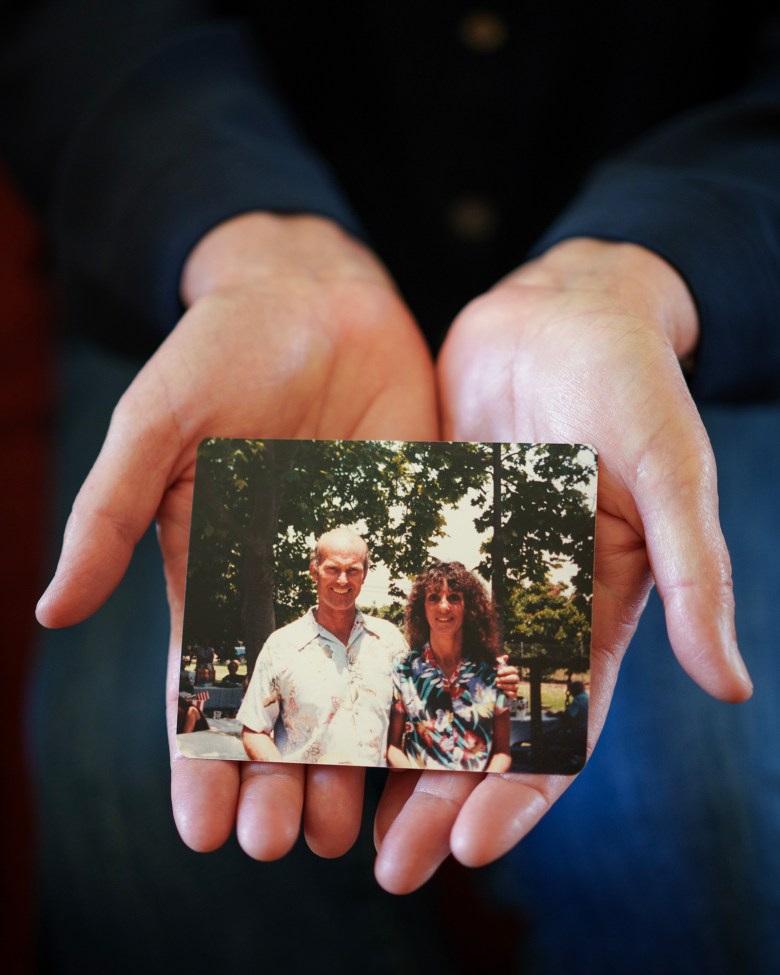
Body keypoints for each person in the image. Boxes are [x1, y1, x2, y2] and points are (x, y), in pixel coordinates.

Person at [2, 2, 778, 971]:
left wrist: (657, 261)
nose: (434, 600)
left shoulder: (475, 652)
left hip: (677, 307)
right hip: (221, 277)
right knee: (126, 816)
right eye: (341, 573)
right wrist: (243, 234)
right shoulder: (311, 643)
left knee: (707, 822)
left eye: (450, 595)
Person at [238, 528, 521, 765]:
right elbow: (254, 730)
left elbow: (438, 675)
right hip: (307, 796)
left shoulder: (390, 642)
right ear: (315, 571)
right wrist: (284, 777)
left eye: (353, 570)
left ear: (364, 574)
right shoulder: (282, 646)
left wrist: (499, 676)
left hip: (380, 798)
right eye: (333, 569)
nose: (342, 580)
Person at [387, 562, 511, 773]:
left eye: (454, 597)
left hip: (477, 788)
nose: (444, 607)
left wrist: (482, 784)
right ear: (422, 608)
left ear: (468, 606)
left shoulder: (493, 671)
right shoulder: (404, 669)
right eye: (433, 598)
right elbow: (392, 747)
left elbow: (502, 753)